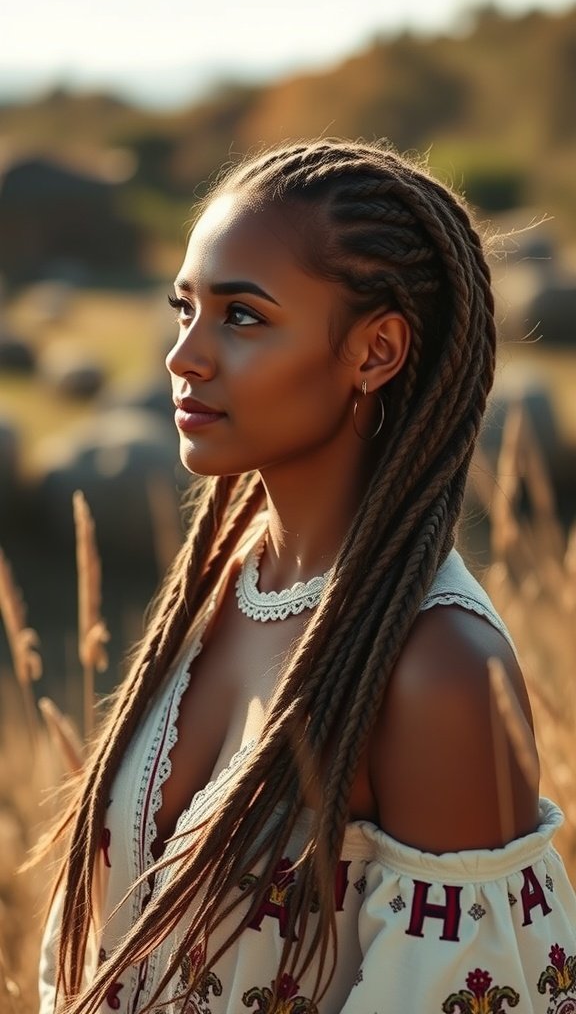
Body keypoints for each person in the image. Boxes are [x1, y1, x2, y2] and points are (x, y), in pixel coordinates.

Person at [39, 138, 576, 1014]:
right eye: (186, 309)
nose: (185, 357)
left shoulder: (439, 668)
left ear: (376, 351)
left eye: (242, 317)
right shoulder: (220, 591)